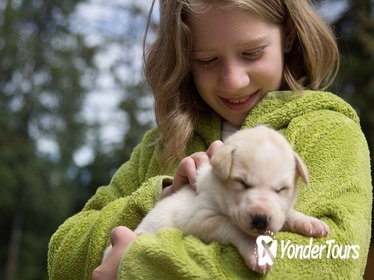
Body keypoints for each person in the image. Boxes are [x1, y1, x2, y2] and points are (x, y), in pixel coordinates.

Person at [48, 0, 372, 279]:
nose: (233, 81)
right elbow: (63, 257)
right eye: (207, 60)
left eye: (252, 52)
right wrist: (160, 196)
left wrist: (140, 265)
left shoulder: (327, 132)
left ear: (287, 35)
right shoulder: (160, 146)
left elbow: (332, 261)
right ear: (184, 57)